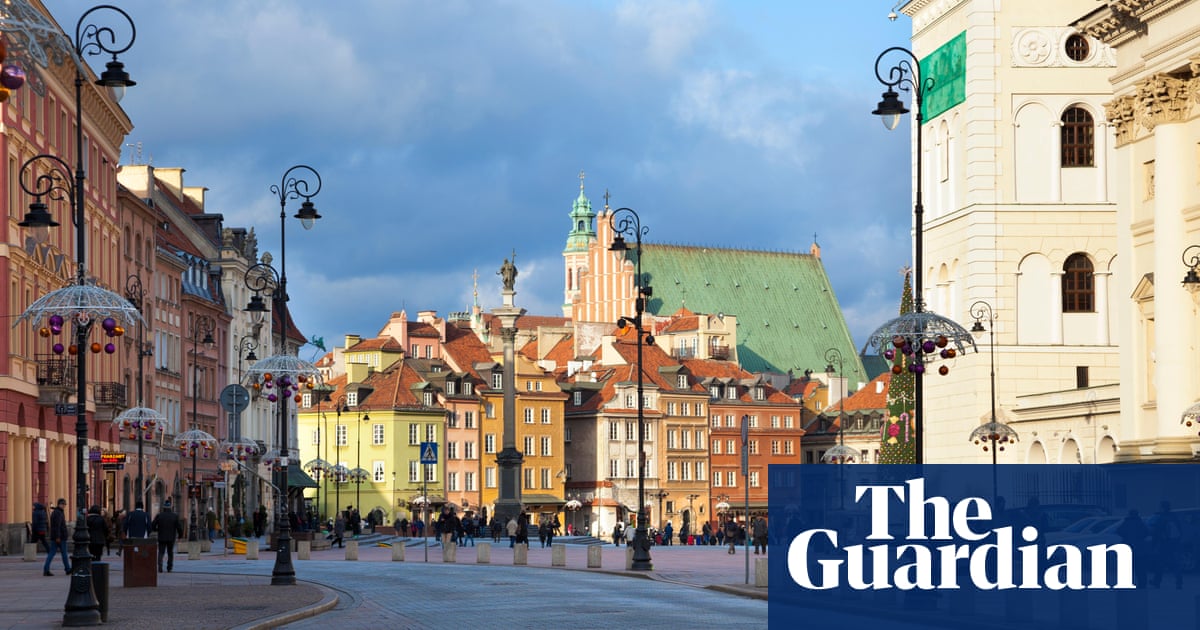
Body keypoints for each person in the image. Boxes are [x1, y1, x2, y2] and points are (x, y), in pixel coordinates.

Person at [1148, 500, 1184, 589]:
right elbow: (1180, 529)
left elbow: (1157, 532)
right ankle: (1179, 580)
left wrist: (1154, 545)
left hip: (1164, 544)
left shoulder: (1161, 518)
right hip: (1174, 543)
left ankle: (1157, 581)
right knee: (1174, 562)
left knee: (1160, 563)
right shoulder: (1174, 516)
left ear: (1162, 507)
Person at [1116, 508, 1149, 586]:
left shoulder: (1127, 522)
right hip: (1139, 548)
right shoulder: (1140, 522)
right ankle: (1142, 583)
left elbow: (1119, 531)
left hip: (1128, 546)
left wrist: (1126, 537)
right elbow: (1147, 532)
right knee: (1140, 567)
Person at [152, 500, 184, 573]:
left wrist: (156, 529)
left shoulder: (159, 515)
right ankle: (169, 567)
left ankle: (160, 566)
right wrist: (180, 535)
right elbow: (179, 527)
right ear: (170, 507)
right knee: (170, 552)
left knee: (161, 552)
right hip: (171, 537)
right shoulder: (174, 516)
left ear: (164, 507)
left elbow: (153, 525)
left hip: (161, 537)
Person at [44, 498, 71, 576]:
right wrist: (58, 537)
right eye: (62, 504)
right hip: (60, 537)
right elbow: (57, 526)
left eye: (64, 504)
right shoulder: (58, 513)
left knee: (52, 553)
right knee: (64, 554)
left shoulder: (56, 512)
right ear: (59, 504)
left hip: (56, 536)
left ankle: (46, 569)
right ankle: (67, 569)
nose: (64, 506)